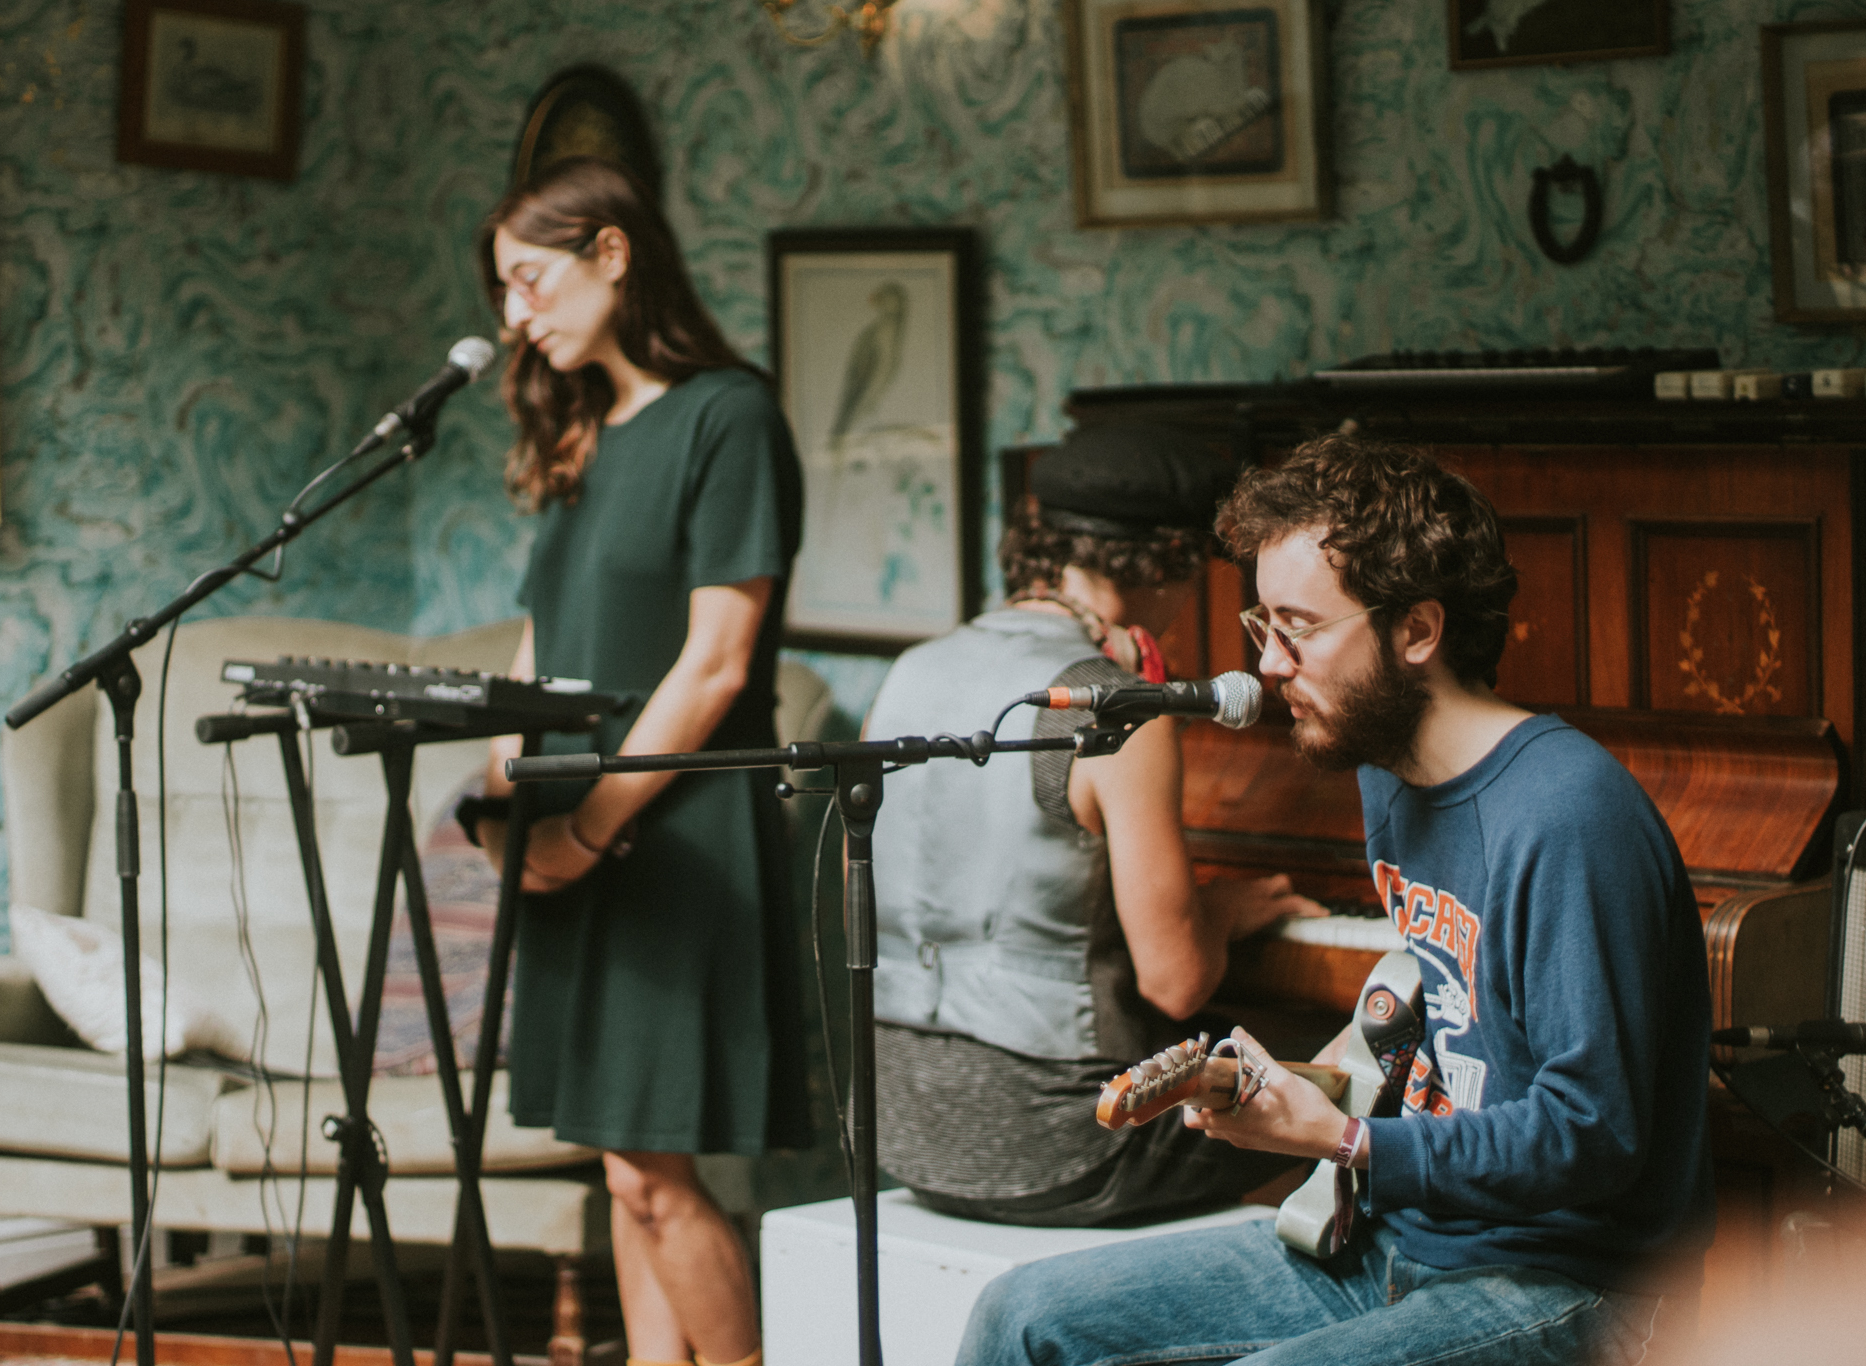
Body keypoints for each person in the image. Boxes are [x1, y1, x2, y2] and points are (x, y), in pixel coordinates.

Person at [956, 435, 1714, 1365]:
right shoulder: (1388, 775)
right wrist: (1293, 1091)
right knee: (1020, 1315)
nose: (1269, 666)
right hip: (1401, 1235)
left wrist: (1350, 1140)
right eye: (1260, 626)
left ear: (1418, 631)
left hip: (1575, 1281)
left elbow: (1595, 1136)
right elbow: (1451, 1043)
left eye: (1299, 627)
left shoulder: (1568, 815)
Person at [470, 157, 806, 1366]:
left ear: (611, 253)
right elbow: (537, 643)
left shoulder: (729, 417)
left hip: (672, 839)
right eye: (505, 292)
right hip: (573, 837)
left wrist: (587, 828)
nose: (516, 314)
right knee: (624, 1167)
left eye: (529, 279)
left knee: (657, 1172)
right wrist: (512, 800)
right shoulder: (580, 432)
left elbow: (715, 664)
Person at [865, 421, 1324, 1228]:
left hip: (898, 1126)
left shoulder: (912, 669)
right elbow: (1175, 980)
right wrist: (1227, 909)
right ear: (1171, 563)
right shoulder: (1114, 711)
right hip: (1057, 1150)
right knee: (1333, 1091)